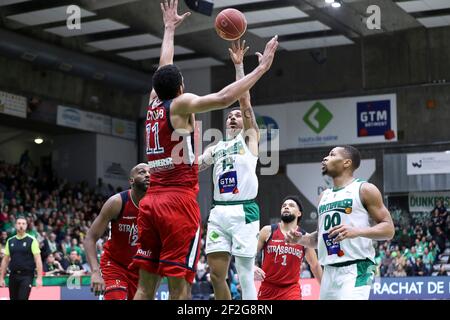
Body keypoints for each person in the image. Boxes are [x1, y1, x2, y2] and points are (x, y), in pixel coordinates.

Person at [130, 0, 278, 300]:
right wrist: (261, 68)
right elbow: (224, 97)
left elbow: (164, 66)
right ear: (181, 87)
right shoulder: (181, 104)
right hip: (178, 203)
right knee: (180, 287)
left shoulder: (153, 104)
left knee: (145, 288)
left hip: (152, 202)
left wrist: (169, 29)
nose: (233, 116)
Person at [196, 39, 261, 300]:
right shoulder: (216, 148)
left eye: (236, 115)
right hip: (218, 211)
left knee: (245, 275)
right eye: (229, 115)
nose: (233, 117)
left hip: (244, 209)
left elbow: (244, 100)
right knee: (216, 275)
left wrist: (239, 66)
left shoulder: (250, 139)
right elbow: (193, 166)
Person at [286, 145, 395, 300]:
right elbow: (319, 238)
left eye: (332, 155)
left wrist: (356, 231)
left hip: (357, 268)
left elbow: (389, 229)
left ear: (346, 163)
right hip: (329, 271)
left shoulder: (364, 189)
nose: (325, 158)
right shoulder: (324, 196)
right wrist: (300, 240)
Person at [84, 163, 150, 300]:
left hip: (140, 268)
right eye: (142, 172)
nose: (148, 175)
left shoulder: (157, 206)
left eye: (150, 172)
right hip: (115, 264)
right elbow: (90, 238)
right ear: (131, 180)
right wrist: (95, 272)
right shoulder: (116, 202)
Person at [254, 196, 322, 300]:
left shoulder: (304, 237)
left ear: (299, 213)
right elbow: (249, 254)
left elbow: (315, 265)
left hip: (291, 290)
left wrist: (325, 287)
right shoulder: (267, 231)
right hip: (267, 289)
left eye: (291, 205)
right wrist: (252, 267)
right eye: (284, 206)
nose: (286, 207)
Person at [0, 216, 43, 300]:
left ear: (26, 226)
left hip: (27, 276)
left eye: (23, 224)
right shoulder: (10, 241)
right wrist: (1, 278)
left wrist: (39, 278)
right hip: (13, 275)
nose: (21, 225)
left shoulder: (32, 240)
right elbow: (5, 260)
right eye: (19, 223)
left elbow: (38, 260)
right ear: (15, 225)